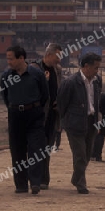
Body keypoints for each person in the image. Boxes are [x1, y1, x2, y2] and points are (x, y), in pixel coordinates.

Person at [1, 46, 49, 195]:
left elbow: (44, 95)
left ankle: (35, 183)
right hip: (15, 115)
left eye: (11, 58)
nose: (8, 61)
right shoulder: (6, 76)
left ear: (21, 58)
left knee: (36, 149)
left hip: (34, 115)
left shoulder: (36, 74)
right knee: (17, 150)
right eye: (7, 58)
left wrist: (34, 108)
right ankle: (21, 185)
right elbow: (5, 96)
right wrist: (14, 107)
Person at [57, 52, 102, 194]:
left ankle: (76, 178)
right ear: (86, 66)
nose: (97, 71)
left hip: (91, 122)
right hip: (75, 123)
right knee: (80, 155)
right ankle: (81, 183)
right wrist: (66, 122)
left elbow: (97, 102)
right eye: (95, 68)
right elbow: (62, 104)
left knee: (87, 154)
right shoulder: (70, 82)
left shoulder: (97, 81)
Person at [30, 43, 63, 190]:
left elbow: (59, 89)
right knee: (36, 147)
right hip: (38, 115)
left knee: (47, 147)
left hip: (52, 115)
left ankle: (44, 179)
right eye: (57, 56)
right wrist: (44, 81)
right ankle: (34, 178)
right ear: (49, 55)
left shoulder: (58, 70)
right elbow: (30, 90)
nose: (59, 60)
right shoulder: (35, 68)